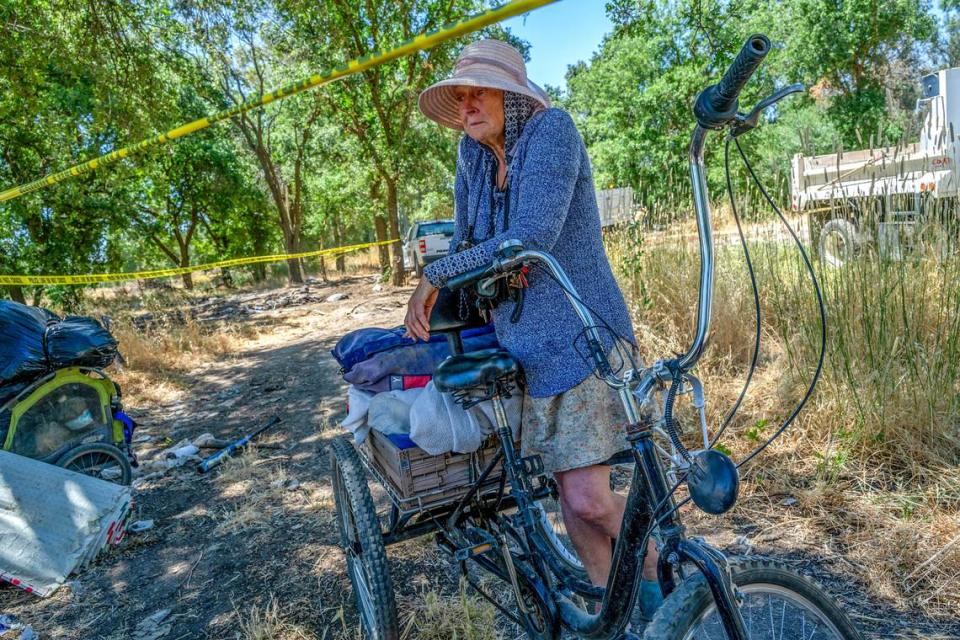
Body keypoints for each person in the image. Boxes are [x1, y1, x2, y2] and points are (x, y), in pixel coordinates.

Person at [405, 39, 663, 626]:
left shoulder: (551, 133)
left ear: (512, 96)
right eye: (461, 96)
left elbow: (528, 237)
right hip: (529, 350)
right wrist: (450, 283)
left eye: (481, 93)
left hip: (581, 340)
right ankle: (622, 619)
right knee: (573, 509)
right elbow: (471, 242)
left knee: (588, 500)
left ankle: (671, 582)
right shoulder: (473, 158)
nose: (469, 106)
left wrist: (433, 276)